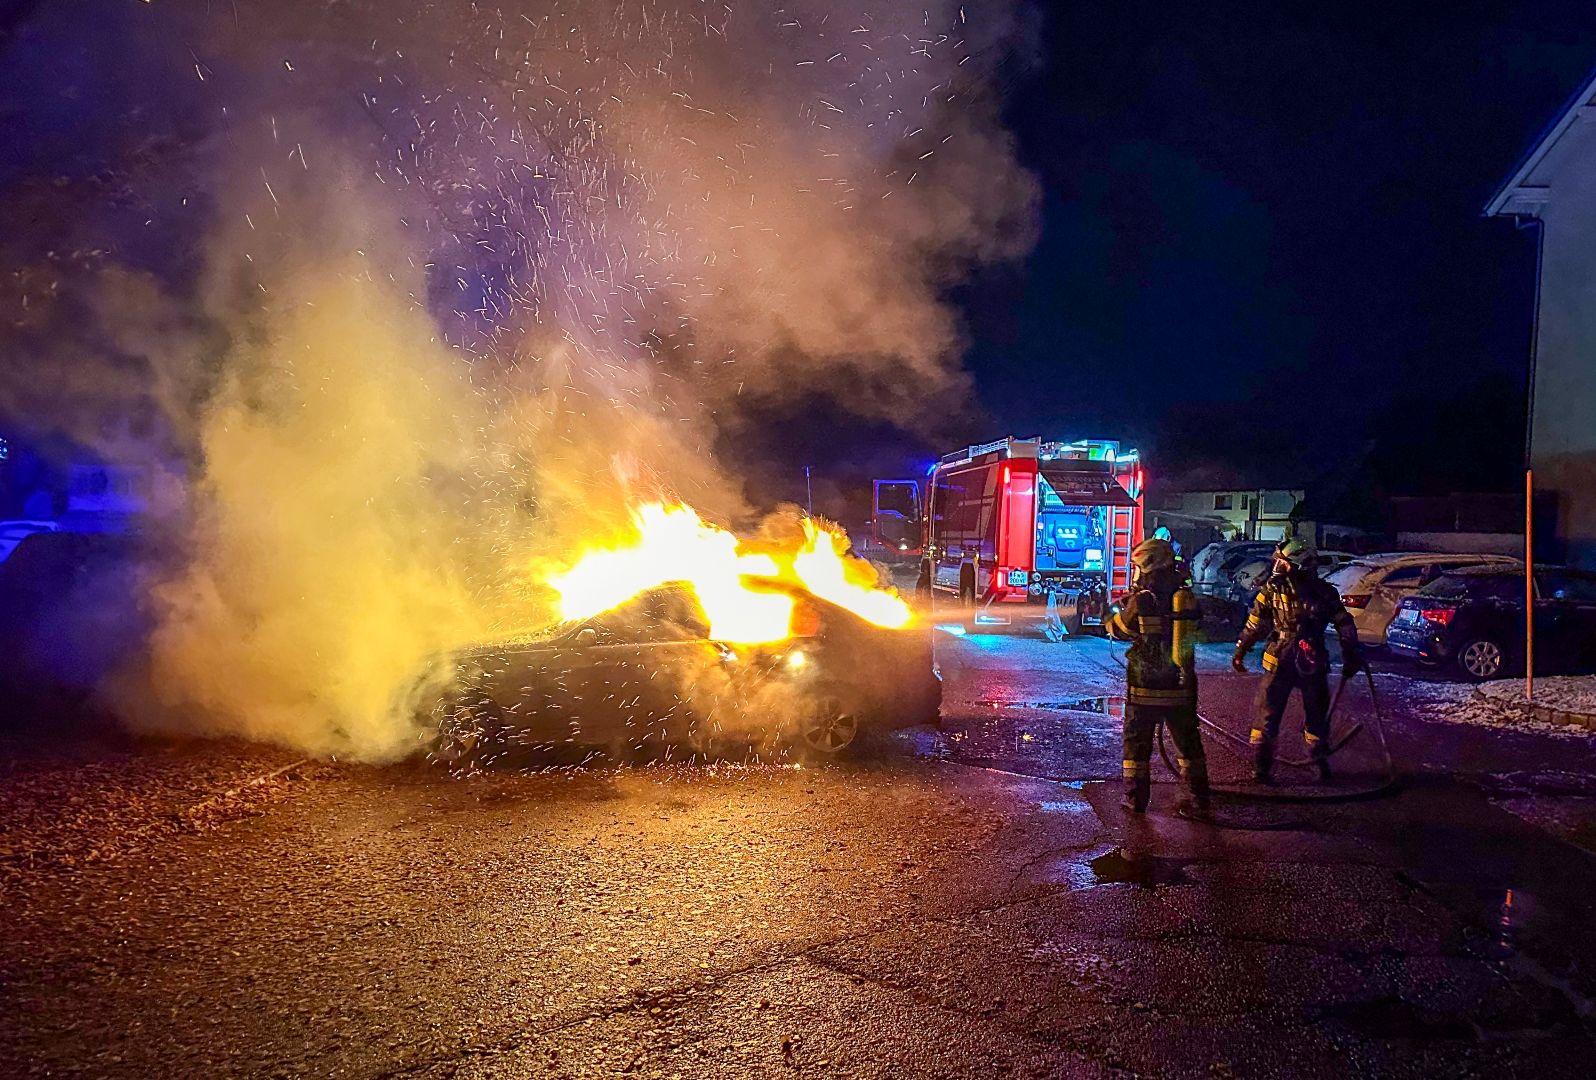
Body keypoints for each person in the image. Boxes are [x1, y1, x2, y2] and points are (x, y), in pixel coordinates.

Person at [1232, 538, 1363, 783]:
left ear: (1299, 564)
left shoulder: (1319, 592)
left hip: (1294, 658)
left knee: (1304, 711)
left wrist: (1351, 653)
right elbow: (1254, 625)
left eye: (1282, 562)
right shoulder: (1283, 591)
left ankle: (1282, 766)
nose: (1277, 567)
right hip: (1303, 658)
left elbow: (1344, 624)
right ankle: (1271, 765)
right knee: (1274, 712)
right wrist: (1241, 649)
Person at [1106, 537, 1209, 815]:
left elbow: (1120, 631)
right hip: (1180, 684)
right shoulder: (1184, 596)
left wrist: (1113, 614)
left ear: (1147, 566)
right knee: (1188, 742)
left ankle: (1135, 800)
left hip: (1145, 685)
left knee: (1137, 744)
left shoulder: (1142, 600)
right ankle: (1199, 797)